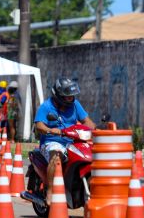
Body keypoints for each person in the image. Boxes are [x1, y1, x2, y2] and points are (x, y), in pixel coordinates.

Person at [33, 77, 97, 205]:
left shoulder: (75, 105)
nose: (71, 99)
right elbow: (39, 125)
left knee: (90, 155)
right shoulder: (46, 106)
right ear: (59, 96)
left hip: (72, 141)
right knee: (56, 155)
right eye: (68, 97)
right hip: (52, 142)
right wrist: (50, 130)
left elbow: (86, 121)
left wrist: (97, 131)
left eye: (72, 96)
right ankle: (50, 191)